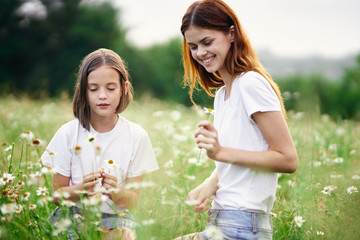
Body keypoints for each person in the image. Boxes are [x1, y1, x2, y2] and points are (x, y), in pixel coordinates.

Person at [176, 0, 299, 239]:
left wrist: (220, 152)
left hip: (243, 225)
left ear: (231, 34)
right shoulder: (222, 95)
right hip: (223, 220)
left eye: (207, 42)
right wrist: (210, 184)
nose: (200, 53)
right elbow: (244, 151)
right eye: (193, 46)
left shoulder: (251, 83)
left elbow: (288, 159)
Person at [41, 48, 159, 240]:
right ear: (83, 90)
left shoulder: (137, 136)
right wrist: (81, 188)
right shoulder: (68, 133)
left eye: (111, 88)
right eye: (94, 88)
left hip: (116, 217)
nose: (102, 95)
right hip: (72, 215)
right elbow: (57, 195)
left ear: (124, 88)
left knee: (126, 236)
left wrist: (114, 191)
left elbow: (133, 200)